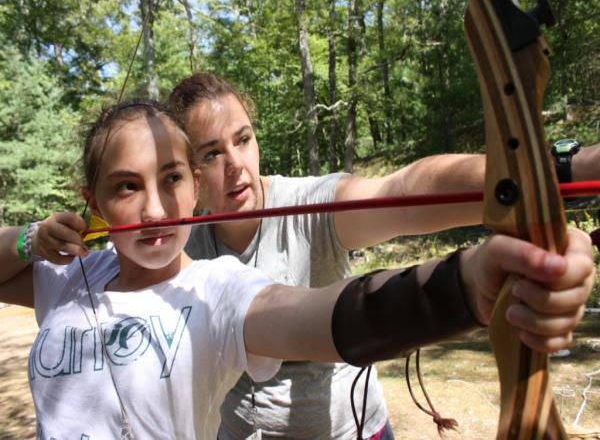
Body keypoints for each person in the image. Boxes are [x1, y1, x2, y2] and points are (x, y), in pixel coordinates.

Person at [0, 100, 594, 440]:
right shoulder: (74, 273)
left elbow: (332, 306)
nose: (236, 167)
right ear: (95, 201)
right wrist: (28, 239)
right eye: (127, 187)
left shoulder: (231, 273)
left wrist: (471, 276)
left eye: (245, 140)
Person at [166, 73, 595, 439]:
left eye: (243, 139)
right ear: (189, 171)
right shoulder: (181, 246)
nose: (236, 164)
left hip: (352, 429)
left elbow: (404, 193)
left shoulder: (308, 205)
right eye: (211, 152)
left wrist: (559, 172)